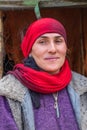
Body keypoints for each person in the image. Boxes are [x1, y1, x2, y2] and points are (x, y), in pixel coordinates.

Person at [0, 17, 87, 130]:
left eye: (58, 41)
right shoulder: (10, 93)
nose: (52, 49)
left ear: (66, 48)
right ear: (29, 50)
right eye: (42, 42)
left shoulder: (82, 87)